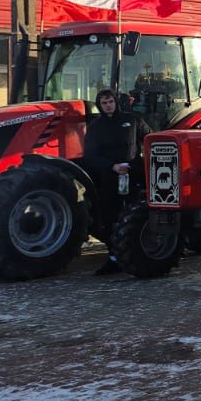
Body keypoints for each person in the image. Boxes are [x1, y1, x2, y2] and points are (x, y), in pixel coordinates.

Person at [83, 88, 150, 275]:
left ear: (116, 102)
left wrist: (137, 164)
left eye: (110, 101)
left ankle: (136, 254)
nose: (108, 106)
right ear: (100, 105)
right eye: (104, 103)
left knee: (134, 215)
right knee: (110, 218)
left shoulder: (133, 120)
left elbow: (152, 138)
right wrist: (112, 166)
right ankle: (114, 257)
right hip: (110, 178)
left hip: (133, 175)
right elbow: (90, 156)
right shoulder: (96, 127)